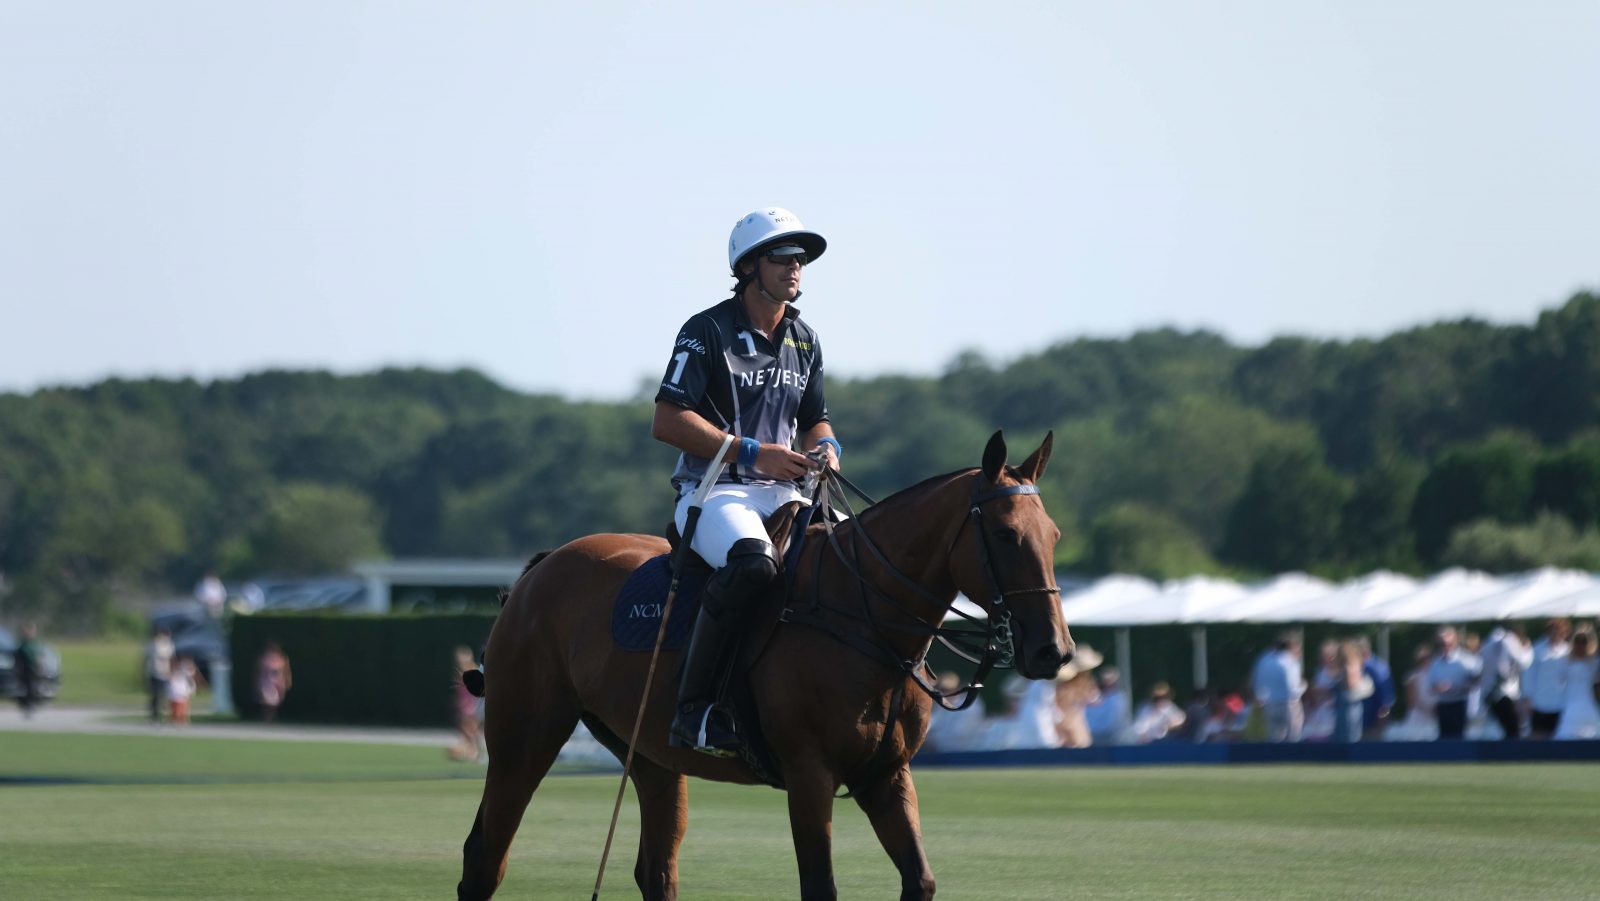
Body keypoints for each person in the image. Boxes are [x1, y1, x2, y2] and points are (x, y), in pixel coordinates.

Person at [651, 207, 837, 757]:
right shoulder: (705, 330)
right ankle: (695, 710)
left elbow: (815, 419)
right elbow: (667, 420)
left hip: (789, 493)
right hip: (715, 492)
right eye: (783, 256)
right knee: (754, 562)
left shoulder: (804, 338)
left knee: (862, 556)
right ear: (750, 266)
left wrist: (827, 447)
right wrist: (752, 453)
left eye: (800, 258)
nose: (795, 266)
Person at [1477, 625, 1533, 739]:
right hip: (1504, 694)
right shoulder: (1509, 641)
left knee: (1502, 730)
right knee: (1512, 731)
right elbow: (1523, 662)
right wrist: (1527, 650)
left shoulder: (1489, 642)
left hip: (1490, 694)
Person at [1426, 626, 1481, 740]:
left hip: (1460, 704)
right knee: (1444, 738)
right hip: (1443, 705)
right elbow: (1431, 686)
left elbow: (1476, 683)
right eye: (1441, 643)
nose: (1445, 647)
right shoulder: (1435, 663)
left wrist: (1457, 688)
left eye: (1447, 643)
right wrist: (1439, 688)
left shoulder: (1467, 660)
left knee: (1458, 737)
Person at [1250, 632, 1306, 742]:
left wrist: (1261, 699)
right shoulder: (1290, 662)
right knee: (1293, 738)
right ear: (1291, 646)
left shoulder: (1264, 660)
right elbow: (1293, 688)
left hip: (1269, 704)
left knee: (1274, 738)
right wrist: (1304, 686)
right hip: (1289, 704)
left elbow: (1257, 682)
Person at [1524, 618, 1571, 739]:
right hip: (1539, 700)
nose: (1555, 634)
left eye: (1559, 631)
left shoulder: (1567, 650)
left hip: (1560, 701)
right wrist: (1528, 697)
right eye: (1553, 631)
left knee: (1556, 734)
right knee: (1537, 735)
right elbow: (1529, 674)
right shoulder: (1537, 649)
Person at [1552, 628, 1600, 740]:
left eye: (1584, 641)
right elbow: (1558, 680)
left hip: (1588, 698)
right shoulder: (1565, 660)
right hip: (1570, 699)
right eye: (1578, 641)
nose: (1580, 645)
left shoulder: (1594, 661)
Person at [1054, 644, 1103, 748]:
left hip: (1077, 726)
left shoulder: (1085, 685)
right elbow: (1060, 710)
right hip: (1067, 729)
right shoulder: (1065, 688)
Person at [1355, 635, 1396, 740]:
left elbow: (1386, 698)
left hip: (1373, 722)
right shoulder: (1366, 666)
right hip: (1362, 721)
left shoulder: (1377, 668)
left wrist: (1382, 717)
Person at [449, 646, 485, 762]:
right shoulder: (462, 673)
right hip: (466, 707)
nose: (460, 662)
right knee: (470, 732)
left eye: (462, 659)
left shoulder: (472, 671)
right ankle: (472, 752)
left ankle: (471, 752)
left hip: (471, 707)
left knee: (470, 731)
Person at [1084, 665, 1131, 745]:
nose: (1107, 683)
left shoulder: (1120, 699)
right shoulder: (1095, 698)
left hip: (1115, 743)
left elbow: (1114, 724)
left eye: (1109, 681)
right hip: (1097, 742)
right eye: (1105, 681)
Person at [255, 642, 292, 723]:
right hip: (266, 682)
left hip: (277, 683)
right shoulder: (264, 659)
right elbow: (259, 671)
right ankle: (266, 717)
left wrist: (287, 680)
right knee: (266, 701)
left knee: (274, 702)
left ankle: (271, 717)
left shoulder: (282, 659)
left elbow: (286, 671)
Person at [13, 623, 44, 718]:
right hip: (24, 669)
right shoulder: (23, 644)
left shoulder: (35, 643)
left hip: (33, 669)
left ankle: (31, 705)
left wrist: (40, 664)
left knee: (32, 687)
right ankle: (26, 706)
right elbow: (17, 656)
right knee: (26, 688)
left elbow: (39, 656)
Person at [145, 626, 175, 722]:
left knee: (165, 695)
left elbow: (171, 659)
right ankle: (154, 715)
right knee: (155, 695)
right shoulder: (152, 645)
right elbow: (146, 658)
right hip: (154, 673)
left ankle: (165, 714)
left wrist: (171, 671)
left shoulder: (169, 645)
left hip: (165, 673)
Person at [167, 656, 197, 726]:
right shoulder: (175, 673)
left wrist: (191, 690)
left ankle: (182, 719)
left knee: (183, 706)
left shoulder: (185, 670)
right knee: (176, 706)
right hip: (176, 691)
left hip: (182, 690)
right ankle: (176, 719)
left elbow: (190, 675)